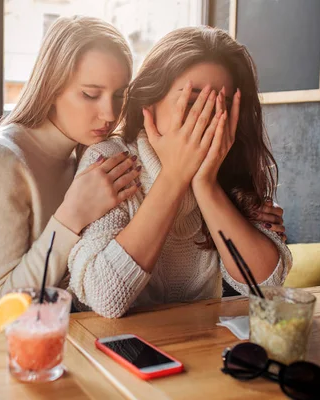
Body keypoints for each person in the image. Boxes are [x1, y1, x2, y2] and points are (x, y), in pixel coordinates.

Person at [0, 16, 140, 325]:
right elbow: (1, 308)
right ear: (52, 86)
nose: (110, 113)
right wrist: (71, 216)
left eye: (119, 95)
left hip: (44, 322)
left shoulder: (90, 156)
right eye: (89, 94)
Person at [68, 26, 292, 318]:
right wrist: (174, 176)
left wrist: (205, 183)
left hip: (199, 343)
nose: (205, 118)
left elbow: (265, 286)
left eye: (219, 106)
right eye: (192, 100)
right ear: (150, 99)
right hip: (110, 348)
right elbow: (104, 297)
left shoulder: (231, 166)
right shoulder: (109, 159)